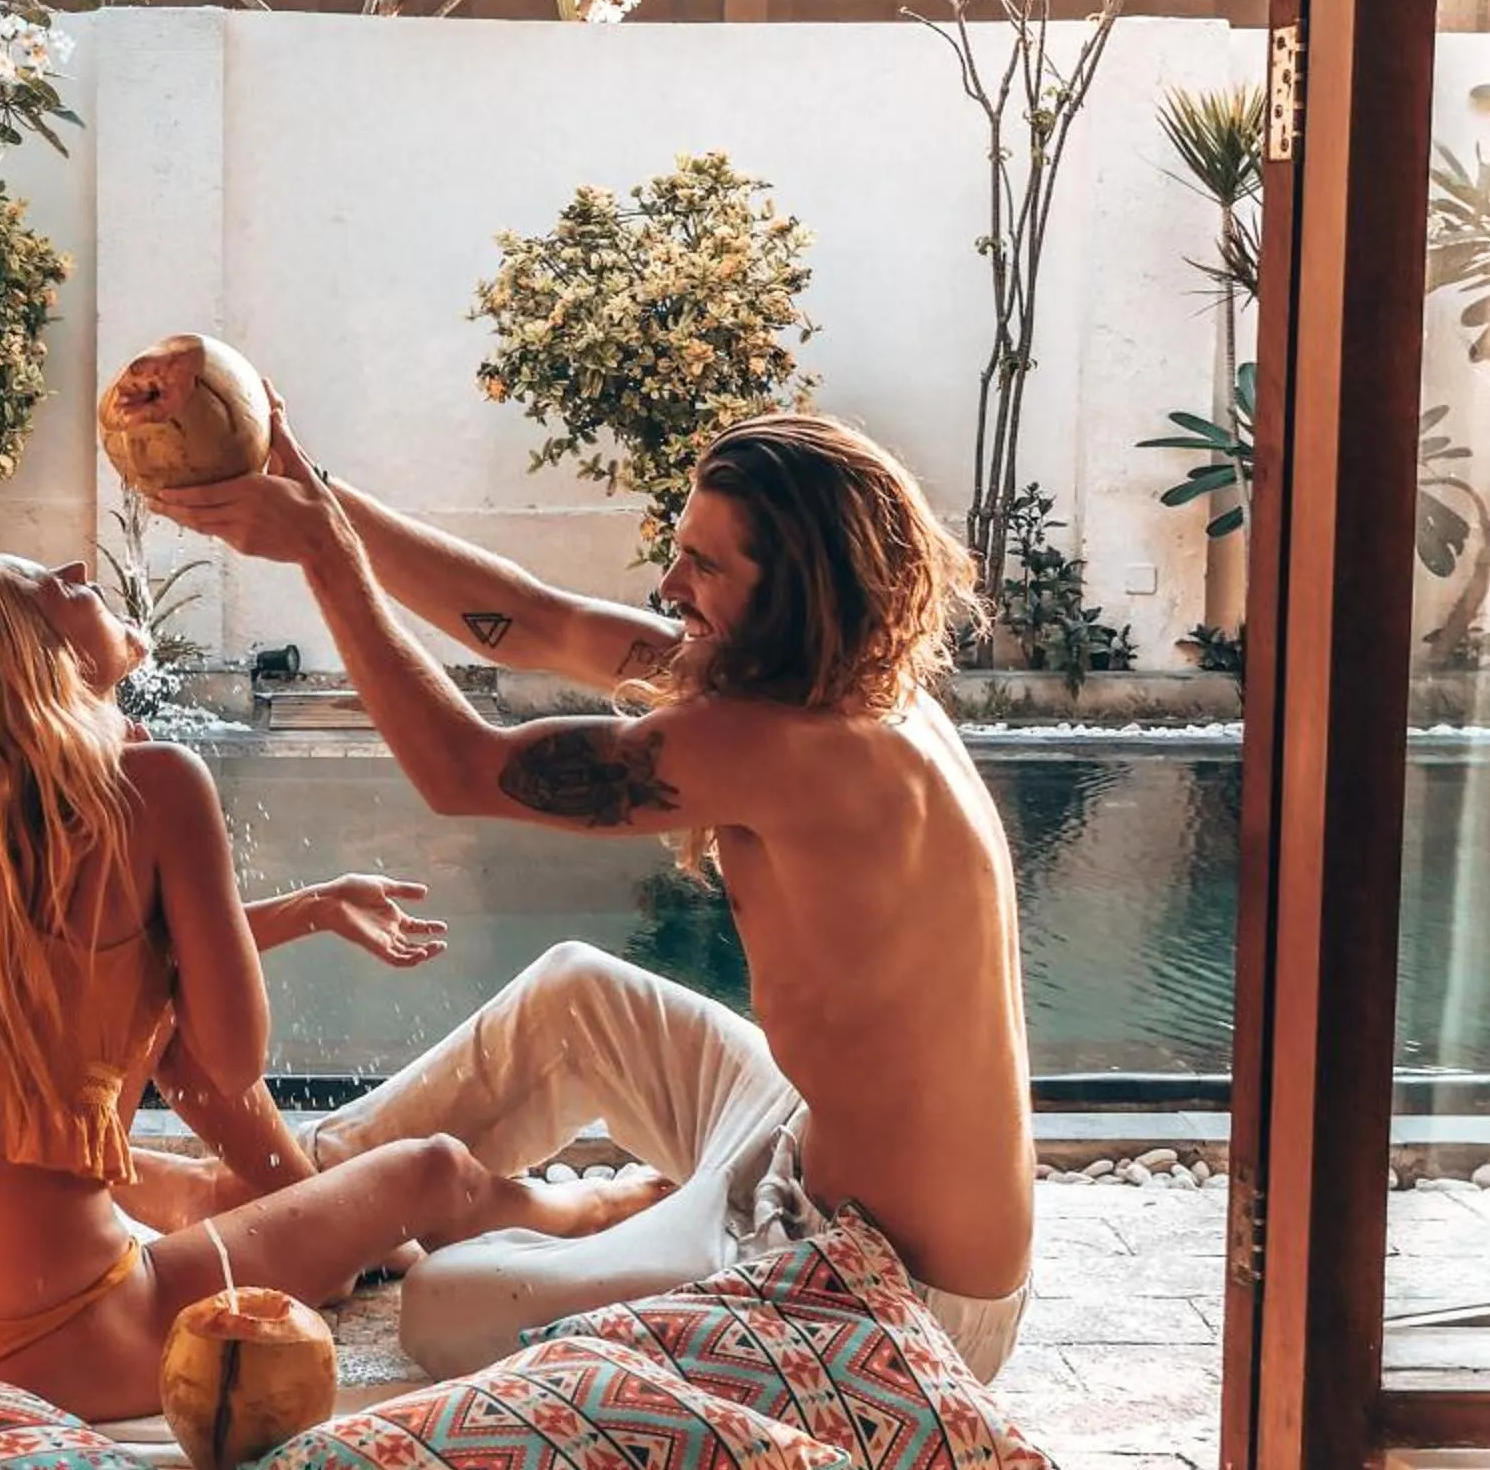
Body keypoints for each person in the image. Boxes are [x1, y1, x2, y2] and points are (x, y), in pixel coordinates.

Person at [155, 407, 1035, 1382]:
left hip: (893, 1292)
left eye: (705, 567)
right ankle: (300, 1195)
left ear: (796, 594)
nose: (670, 587)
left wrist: (323, 555)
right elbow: (536, 622)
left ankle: (427, 1216)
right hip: (801, 1141)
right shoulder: (838, 681)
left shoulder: (792, 747)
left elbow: (460, 769)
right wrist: (317, 494)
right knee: (577, 993)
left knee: (446, 1310)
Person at [0, 546, 672, 1423]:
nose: (80, 566)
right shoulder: (157, 781)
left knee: (229, 1191)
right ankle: (581, 1211)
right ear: (39, 658)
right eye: (56, 586)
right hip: (69, 1339)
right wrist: (276, 933)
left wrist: (312, 907)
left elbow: (123, 956)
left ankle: (350, 1235)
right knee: (430, 1171)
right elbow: (229, 1059)